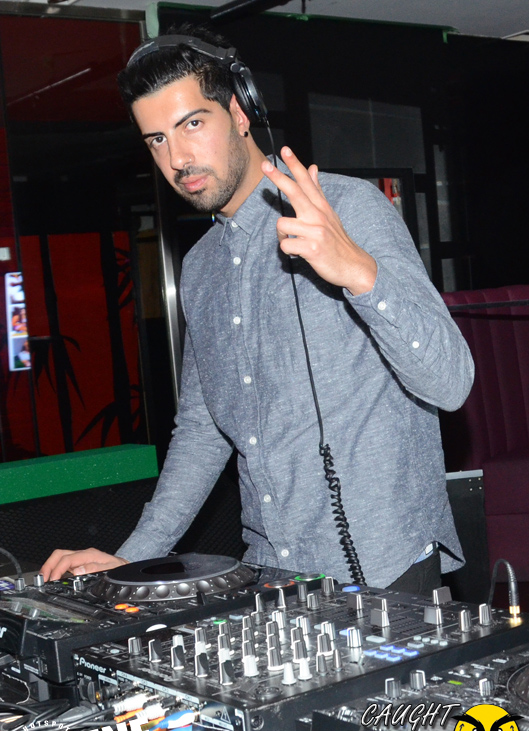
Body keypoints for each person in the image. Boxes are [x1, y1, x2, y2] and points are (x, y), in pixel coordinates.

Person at [41, 25, 474, 590]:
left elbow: (451, 383)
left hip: (387, 565)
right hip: (270, 571)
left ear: (240, 113)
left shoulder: (349, 210)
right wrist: (134, 556)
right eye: (157, 140)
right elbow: (202, 429)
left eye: (192, 124)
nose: (177, 158)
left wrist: (357, 271)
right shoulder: (200, 268)